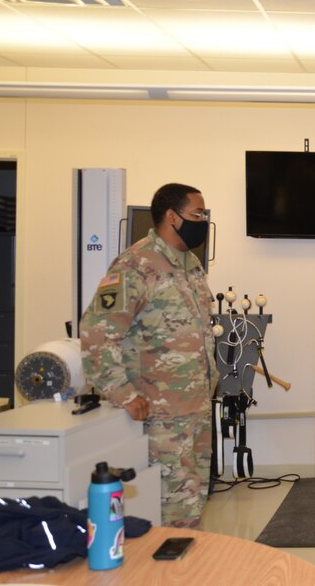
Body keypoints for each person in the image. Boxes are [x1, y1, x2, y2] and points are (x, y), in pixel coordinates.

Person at [79, 183, 216, 528]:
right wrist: (123, 393)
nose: (203, 221)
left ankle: (187, 574)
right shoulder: (136, 264)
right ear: (172, 216)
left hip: (194, 410)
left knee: (194, 504)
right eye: (197, 214)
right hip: (161, 416)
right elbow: (97, 332)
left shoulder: (190, 263)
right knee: (172, 513)